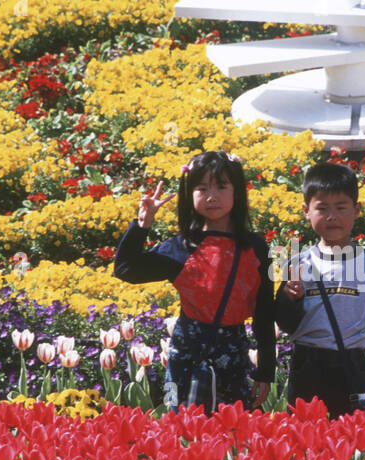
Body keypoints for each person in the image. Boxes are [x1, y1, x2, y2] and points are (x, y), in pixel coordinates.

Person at [113, 150, 275, 413]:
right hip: (186, 352)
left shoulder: (255, 248)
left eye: (222, 187)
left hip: (232, 351)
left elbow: (265, 313)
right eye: (202, 188)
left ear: (237, 192)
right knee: (180, 425)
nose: (212, 197)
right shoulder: (181, 247)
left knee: (233, 429)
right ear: (190, 195)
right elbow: (126, 269)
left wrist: (265, 371)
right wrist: (142, 225)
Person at [275, 162, 365, 417]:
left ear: (357, 210)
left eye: (341, 207)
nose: (332, 216)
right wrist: (289, 300)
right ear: (306, 211)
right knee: (305, 440)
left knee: (352, 443)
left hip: (353, 366)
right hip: (307, 365)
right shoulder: (297, 262)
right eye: (322, 208)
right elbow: (286, 323)